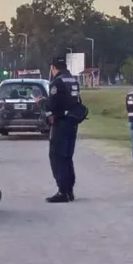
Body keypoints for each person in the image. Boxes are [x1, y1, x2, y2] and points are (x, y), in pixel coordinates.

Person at [45, 56, 82, 203]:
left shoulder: (57, 82)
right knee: (67, 157)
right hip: (72, 122)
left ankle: (62, 191)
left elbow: (53, 103)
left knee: (57, 157)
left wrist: (44, 105)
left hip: (60, 122)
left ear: (53, 67)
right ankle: (69, 190)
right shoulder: (73, 80)